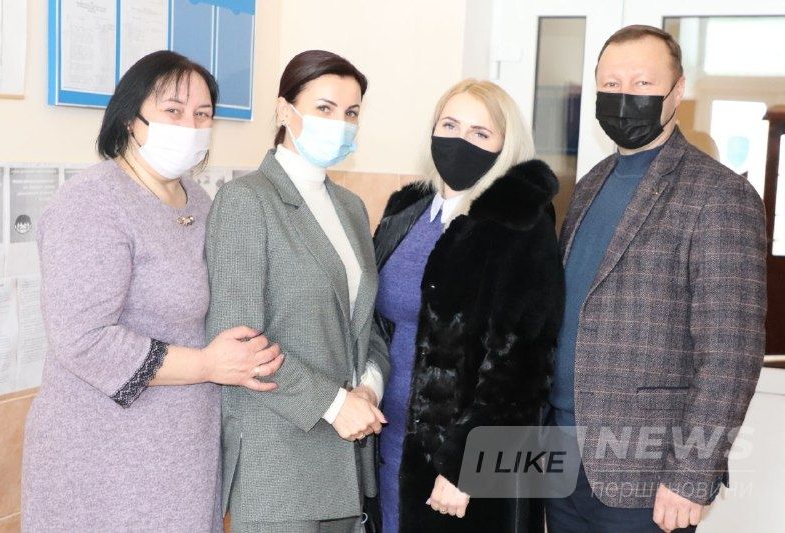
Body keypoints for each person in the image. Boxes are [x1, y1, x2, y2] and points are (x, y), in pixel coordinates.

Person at [21, 50, 283, 532]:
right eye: (173, 111)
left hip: (184, 451)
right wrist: (206, 365)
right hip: (104, 459)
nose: (190, 126)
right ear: (130, 118)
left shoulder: (199, 200)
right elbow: (83, 339)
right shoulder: (93, 203)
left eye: (202, 115)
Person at [544, 25, 767, 533]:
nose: (625, 96)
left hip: (647, 474)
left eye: (643, 83)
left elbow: (731, 354)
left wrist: (691, 474)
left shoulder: (719, 195)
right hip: (561, 456)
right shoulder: (590, 185)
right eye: (612, 84)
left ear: (677, 90)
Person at [205, 50, 390, 533]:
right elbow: (240, 343)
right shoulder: (247, 201)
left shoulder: (351, 207)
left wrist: (369, 387)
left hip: (346, 454)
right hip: (278, 460)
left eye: (351, 113)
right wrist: (334, 404)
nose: (340, 124)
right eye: (325, 108)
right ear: (285, 111)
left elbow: (366, 323)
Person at [373, 78, 564, 533]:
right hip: (387, 443)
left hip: (458, 469)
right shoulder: (407, 211)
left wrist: (466, 466)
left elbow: (522, 366)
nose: (461, 141)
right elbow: (376, 322)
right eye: (450, 125)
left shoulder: (520, 224)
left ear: (505, 144)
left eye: (480, 133)